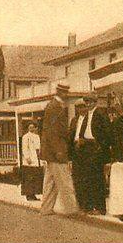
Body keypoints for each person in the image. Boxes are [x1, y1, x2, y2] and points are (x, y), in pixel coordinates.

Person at [39, 84, 79, 216]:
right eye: (65, 92)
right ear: (61, 93)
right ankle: (71, 209)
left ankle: (46, 208)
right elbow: (53, 131)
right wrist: (59, 151)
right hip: (57, 151)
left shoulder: (53, 105)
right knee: (65, 181)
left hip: (51, 151)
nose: (67, 95)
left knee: (50, 182)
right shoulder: (55, 107)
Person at [69, 95, 111, 215]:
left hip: (96, 148)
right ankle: (88, 206)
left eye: (90, 102)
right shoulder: (87, 116)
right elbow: (83, 131)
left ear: (95, 102)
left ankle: (100, 207)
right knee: (88, 179)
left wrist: (100, 146)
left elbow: (107, 133)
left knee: (97, 179)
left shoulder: (101, 114)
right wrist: (81, 141)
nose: (88, 104)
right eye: (86, 102)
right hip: (85, 149)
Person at [21, 122, 43, 201]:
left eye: (33, 127)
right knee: (29, 178)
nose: (31, 129)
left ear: (36, 128)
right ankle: (28, 195)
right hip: (29, 161)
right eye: (30, 127)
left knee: (35, 178)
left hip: (36, 159)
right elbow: (24, 148)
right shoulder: (26, 137)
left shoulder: (37, 137)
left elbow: (39, 148)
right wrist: (27, 157)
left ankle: (33, 194)